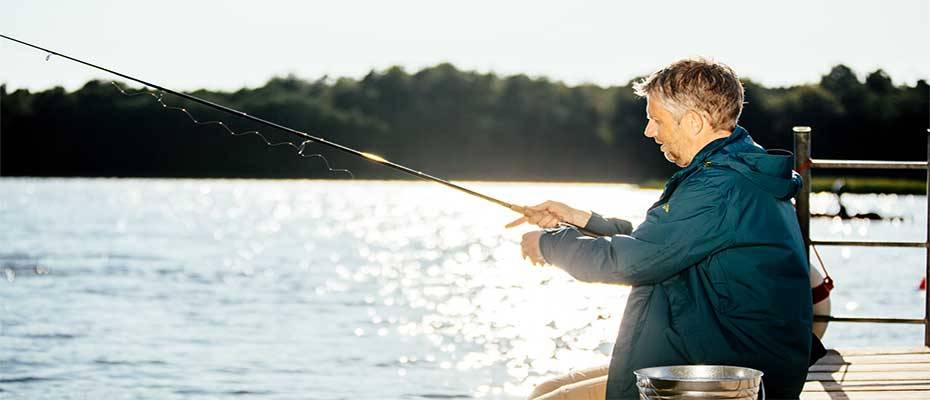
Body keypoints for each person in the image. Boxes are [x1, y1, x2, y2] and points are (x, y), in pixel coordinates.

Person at [508, 58, 812, 400]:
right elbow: (657, 242)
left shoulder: (717, 187)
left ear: (694, 122)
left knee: (551, 399)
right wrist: (580, 219)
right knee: (546, 388)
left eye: (656, 120)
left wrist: (549, 245)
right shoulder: (734, 169)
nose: (649, 131)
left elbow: (630, 261)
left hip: (732, 373)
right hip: (724, 354)